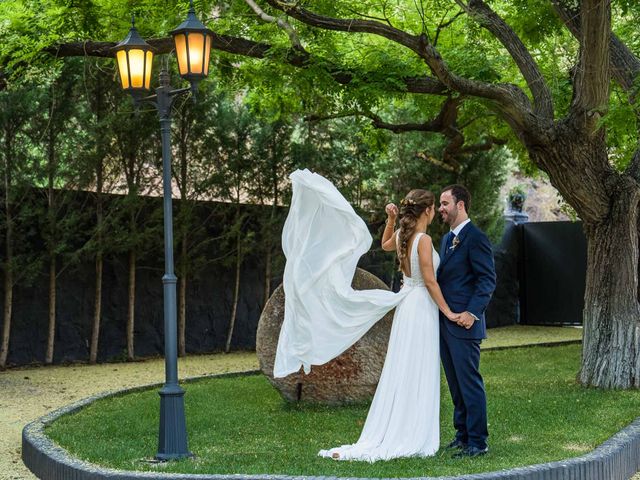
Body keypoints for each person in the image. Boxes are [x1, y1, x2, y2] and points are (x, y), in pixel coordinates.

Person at [274, 169, 460, 462]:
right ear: (426, 210)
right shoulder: (422, 240)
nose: (436, 210)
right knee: (417, 365)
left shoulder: (403, 234)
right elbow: (431, 281)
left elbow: (386, 244)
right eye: (434, 207)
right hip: (421, 306)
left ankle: (404, 424)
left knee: (406, 365)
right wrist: (448, 311)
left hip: (407, 307)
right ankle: (413, 430)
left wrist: (390, 221)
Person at [437, 185, 496, 459]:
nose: (440, 208)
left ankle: (478, 442)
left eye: (445, 203)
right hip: (445, 323)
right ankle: (461, 436)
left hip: (465, 324)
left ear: (461, 205)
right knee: (455, 385)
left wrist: (471, 313)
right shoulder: (446, 240)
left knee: (469, 383)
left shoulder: (476, 238)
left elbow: (487, 279)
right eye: (440, 203)